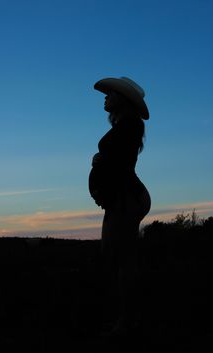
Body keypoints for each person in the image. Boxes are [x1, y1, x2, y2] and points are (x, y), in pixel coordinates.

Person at [89, 76, 151, 335]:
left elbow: (120, 164)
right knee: (116, 258)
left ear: (122, 99)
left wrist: (101, 163)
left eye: (110, 93)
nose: (105, 96)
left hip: (126, 197)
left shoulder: (130, 125)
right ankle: (124, 318)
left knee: (124, 260)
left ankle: (127, 322)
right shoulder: (126, 125)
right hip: (120, 198)